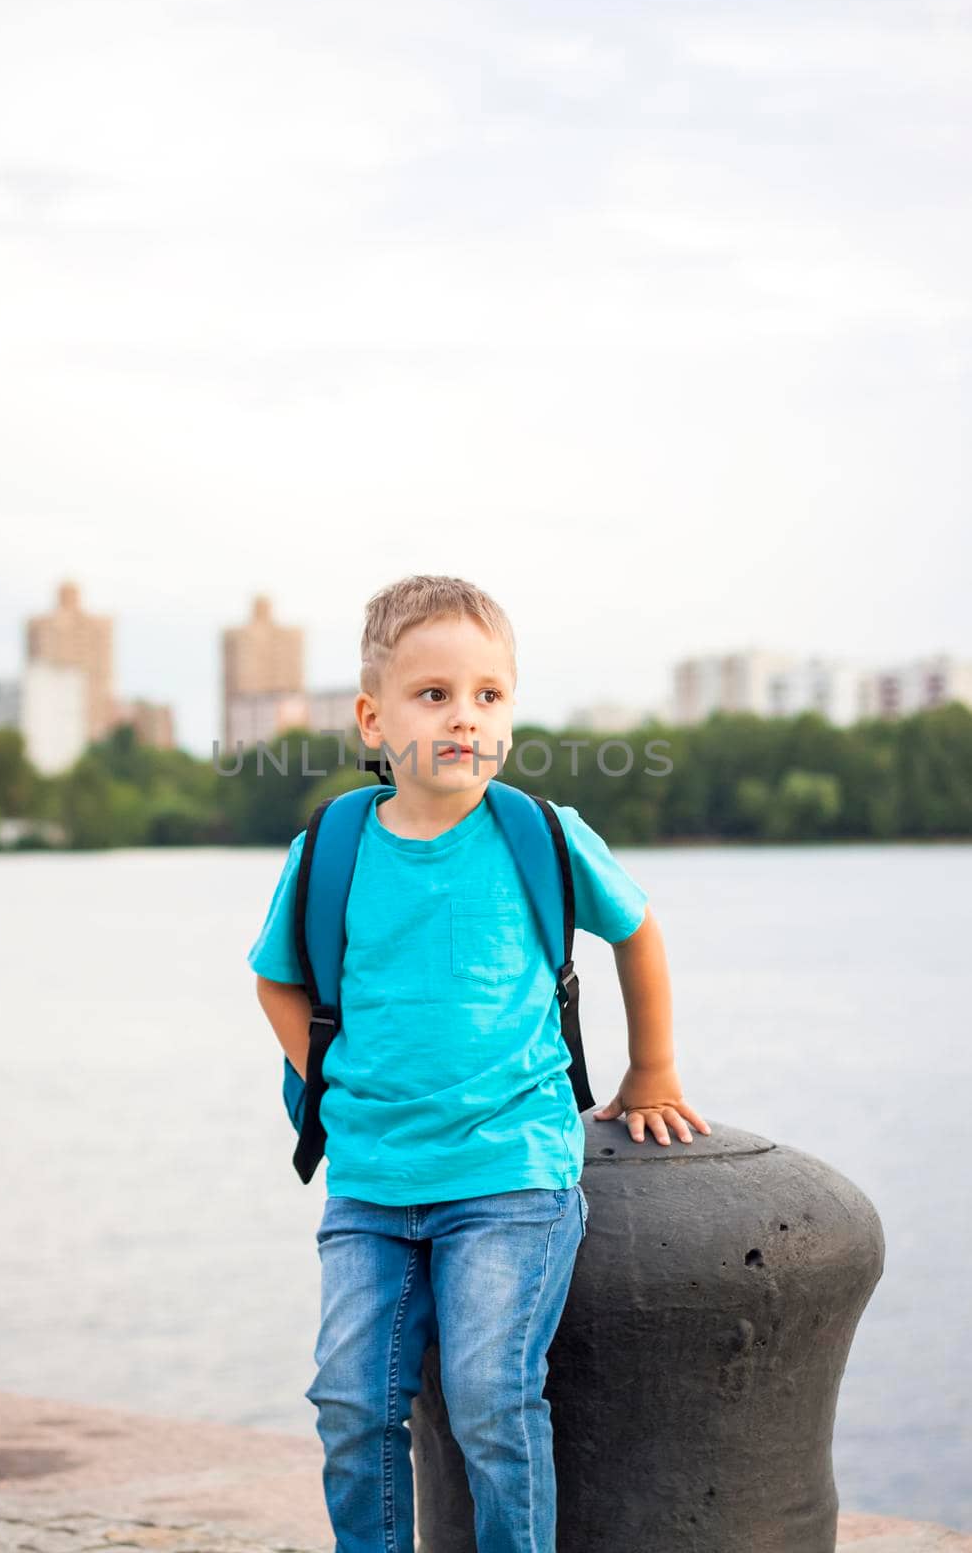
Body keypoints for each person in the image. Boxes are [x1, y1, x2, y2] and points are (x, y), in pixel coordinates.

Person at [248, 573, 710, 1553]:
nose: (464, 716)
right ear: (373, 718)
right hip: (370, 1182)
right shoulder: (329, 847)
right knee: (348, 1401)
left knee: (489, 1394)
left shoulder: (537, 834)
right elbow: (276, 980)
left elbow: (635, 932)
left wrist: (652, 1070)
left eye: (487, 694)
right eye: (433, 694)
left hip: (510, 1172)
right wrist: (325, 1084)